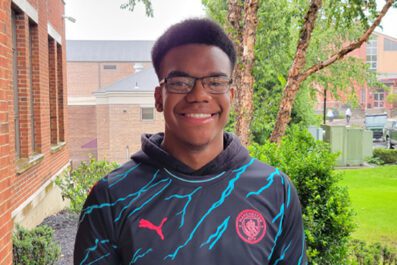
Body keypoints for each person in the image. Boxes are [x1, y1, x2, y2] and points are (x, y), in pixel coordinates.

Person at [74, 18, 307, 265]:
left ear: (231, 96)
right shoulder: (111, 197)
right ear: (158, 98)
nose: (199, 95)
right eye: (180, 83)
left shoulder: (274, 191)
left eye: (215, 82)